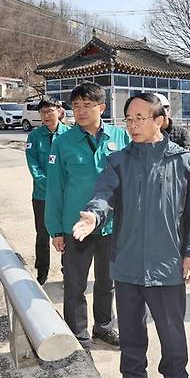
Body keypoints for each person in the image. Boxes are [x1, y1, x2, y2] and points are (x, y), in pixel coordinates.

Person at [71, 92, 190, 378]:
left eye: (140, 118)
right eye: (128, 118)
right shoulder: (119, 160)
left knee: (171, 331)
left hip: (167, 265)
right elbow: (104, 193)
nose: (131, 124)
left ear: (159, 120)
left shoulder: (184, 162)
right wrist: (93, 214)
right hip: (128, 262)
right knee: (130, 330)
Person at [45, 82, 130, 349]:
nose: (80, 111)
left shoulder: (121, 138)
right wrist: (56, 230)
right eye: (75, 106)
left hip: (111, 226)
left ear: (101, 108)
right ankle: (78, 334)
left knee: (108, 281)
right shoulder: (63, 142)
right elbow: (55, 188)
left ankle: (104, 326)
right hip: (75, 226)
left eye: (87, 105)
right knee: (74, 284)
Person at [25, 96, 68, 285]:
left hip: (67, 196)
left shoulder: (71, 135)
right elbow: (33, 164)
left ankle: (69, 269)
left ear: (59, 111)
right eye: (42, 112)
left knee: (67, 233)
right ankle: (42, 272)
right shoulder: (34, 137)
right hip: (42, 195)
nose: (46, 116)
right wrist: (48, 185)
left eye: (50, 111)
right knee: (42, 234)